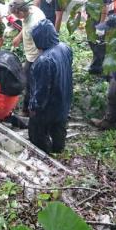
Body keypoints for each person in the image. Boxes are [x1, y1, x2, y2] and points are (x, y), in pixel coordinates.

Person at [27, 19, 74, 154]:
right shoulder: (65, 48)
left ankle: (44, 156)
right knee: (59, 128)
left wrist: (34, 107)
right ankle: (58, 151)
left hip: (49, 105)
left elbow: (42, 90)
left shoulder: (44, 61)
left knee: (37, 134)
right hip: (64, 98)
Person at [9, 0, 46, 116]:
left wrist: (39, 63)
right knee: (28, 81)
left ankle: (28, 111)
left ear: (20, 12)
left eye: (16, 15)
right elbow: (25, 26)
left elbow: (42, 46)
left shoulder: (34, 25)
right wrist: (19, 37)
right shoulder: (33, 9)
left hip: (36, 57)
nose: (15, 18)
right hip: (31, 54)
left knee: (29, 83)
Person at [82, 0, 115, 76]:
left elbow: (106, 5)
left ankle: (103, 71)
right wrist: (85, 11)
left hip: (103, 17)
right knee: (91, 40)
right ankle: (96, 66)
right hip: (92, 15)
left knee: (101, 44)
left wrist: (102, 24)